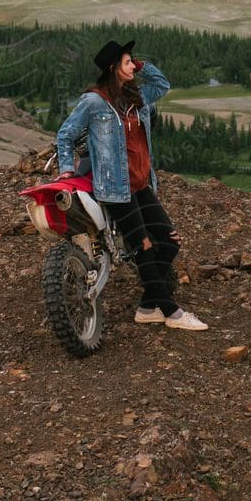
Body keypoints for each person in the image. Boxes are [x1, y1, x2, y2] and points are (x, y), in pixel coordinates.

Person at [56, 39, 209, 332]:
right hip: (115, 189)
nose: (133, 66)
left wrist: (140, 65)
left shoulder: (136, 96)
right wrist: (65, 169)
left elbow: (162, 84)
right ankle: (172, 313)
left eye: (133, 62)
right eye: (128, 62)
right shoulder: (94, 101)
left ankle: (148, 306)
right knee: (145, 246)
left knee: (170, 240)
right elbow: (65, 134)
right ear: (113, 68)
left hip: (141, 184)